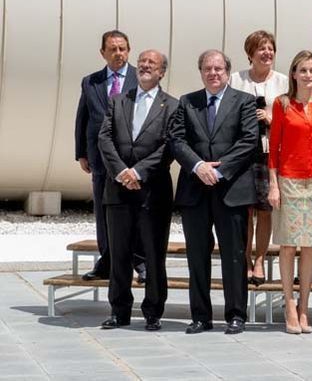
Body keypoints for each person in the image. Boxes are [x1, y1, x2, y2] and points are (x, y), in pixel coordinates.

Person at [169, 50, 258, 335]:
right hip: (195, 190)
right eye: (207, 68)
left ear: (228, 72)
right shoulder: (187, 102)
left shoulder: (243, 102)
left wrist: (218, 170)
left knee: (233, 254)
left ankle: (235, 314)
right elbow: (176, 139)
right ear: (201, 72)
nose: (213, 73)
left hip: (230, 189)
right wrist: (197, 166)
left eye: (218, 68)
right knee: (197, 255)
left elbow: (249, 141)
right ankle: (200, 316)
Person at [97, 50, 177, 331]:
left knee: (154, 254)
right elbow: (104, 138)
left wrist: (139, 171)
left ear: (161, 72)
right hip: (118, 190)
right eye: (142, 62)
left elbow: (169, 147)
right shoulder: (118, 99)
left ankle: (153, 311)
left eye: (151, 64)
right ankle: (119, 311)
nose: (144, 66)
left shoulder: (173, 106)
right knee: (118, 252)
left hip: (153, 192)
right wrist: (121, 172)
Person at [74, 30, 145, 282]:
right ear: (102, 52)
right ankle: (107, 260)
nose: (119, 54)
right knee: (103, 210)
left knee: (134, 209)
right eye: (113, 49)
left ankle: (140, 262)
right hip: (100, 158)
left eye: (123, 48)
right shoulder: (91, 82)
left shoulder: (141, 79)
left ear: (129, 50)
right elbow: (83, 118)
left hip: (130, 158)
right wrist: (81, 152)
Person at [268, 50, 312, 334]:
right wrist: (273, 184)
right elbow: (274, 148)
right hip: (289, 180)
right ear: (293, 74)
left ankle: (305, 307)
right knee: (288, 244)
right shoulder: (282, 105)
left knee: (310, 245)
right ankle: (289, 304)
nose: (308, 75)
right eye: (302, 70)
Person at [230, 31, 288, 286]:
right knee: (246, 209)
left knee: (265, 210)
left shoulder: (284, 82)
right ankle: (244, 257)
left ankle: (260, 259)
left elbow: (290, 120)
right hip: (243, 152)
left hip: (269, 151)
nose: (267, 53)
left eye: (270, 48)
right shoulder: (235, 80)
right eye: (261, 48)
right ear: (250, 54)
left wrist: (270, 119)